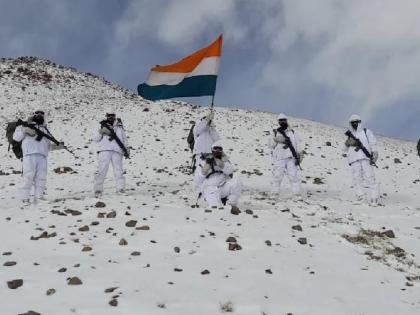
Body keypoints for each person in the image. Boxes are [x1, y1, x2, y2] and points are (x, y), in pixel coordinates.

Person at [12, 110, 64, 204]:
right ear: (33, 115)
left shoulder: (45, 129)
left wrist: (57, 147)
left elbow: (47, 146)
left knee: (41, 177)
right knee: (28, 177)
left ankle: (39, 197)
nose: (39, 116)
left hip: (42, 156)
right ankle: (24, 198)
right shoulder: (24, 125)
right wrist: (25, 130)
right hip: (29, 154)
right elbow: (16, 137)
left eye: (41, 114)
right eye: (37, 114)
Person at [344, 114, 380, 206]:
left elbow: (373, 144)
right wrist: (348, 143)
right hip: (354, 158)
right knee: (357, 178)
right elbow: (344, 148)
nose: (355, 124)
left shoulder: (366, 132)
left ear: (360, 122)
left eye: (356, 122)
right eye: (353, 122)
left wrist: (374, 154)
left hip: (365, 158)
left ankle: (374, 198)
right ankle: (360, 197)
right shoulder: (350, 135)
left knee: (370, 177)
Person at [195, 142, 242, 210]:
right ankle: (215, 205)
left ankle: (231, 205)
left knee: (237, 181)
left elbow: (230, 171)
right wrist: (203, 172)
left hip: (223, 187)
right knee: (216, 208)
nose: (217, 151)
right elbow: (197, 181)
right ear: (212, 150)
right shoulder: (204, 162)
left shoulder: (225, 161)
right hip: (210, 188)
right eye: (215, 148)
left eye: (219, 149)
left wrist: (223, 165)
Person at [93, 109, 128, 197]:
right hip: (104, 150)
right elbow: (96, 139)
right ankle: (98, 189)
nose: (111, 117)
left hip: (117, 150)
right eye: (109, 115)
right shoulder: (102, 125)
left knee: (118, 170)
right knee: (102, 170)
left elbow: (124, 139)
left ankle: (120, 189)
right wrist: (101, 132)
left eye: (112, 115)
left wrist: (127, 150)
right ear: (106, 115)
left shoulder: (119, 126)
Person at [268, 113, 303, 199]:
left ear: (286, 120)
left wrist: (300, 154)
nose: (282, 122)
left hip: (291, 157)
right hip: (279, 157)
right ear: (278, 122)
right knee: (277, 176)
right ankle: (274, 194)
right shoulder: (275, 132)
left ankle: (297, 194)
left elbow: (298, 143)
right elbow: (271, 145)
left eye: (284, 120)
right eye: (281, 120)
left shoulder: (293, 132)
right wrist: (276, 139)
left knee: (294, 176)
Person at [192, 111, 220, 178]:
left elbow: (217, 139)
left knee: (209, 172)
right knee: (199, 172)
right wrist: (207, 119)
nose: (206, 123)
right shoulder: (196, 128)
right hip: (199, 154)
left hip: (210, 155)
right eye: (205, 121)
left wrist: (212, 128)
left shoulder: (210, 130)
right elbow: (199, 129)